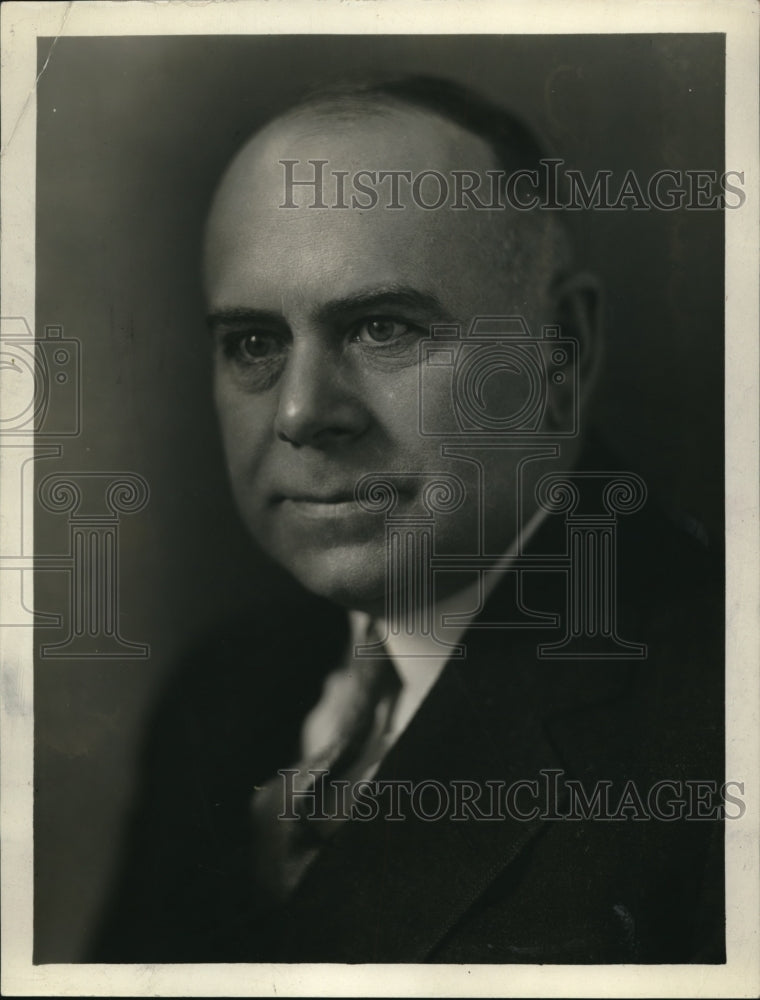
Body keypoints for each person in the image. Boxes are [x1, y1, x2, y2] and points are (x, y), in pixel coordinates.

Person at [90, 76, 724, 964]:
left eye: (383, 328)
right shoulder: (222, 695)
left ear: (558, 354)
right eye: (254, 344)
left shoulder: (724, 722)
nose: (302, 413)